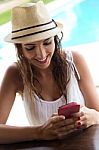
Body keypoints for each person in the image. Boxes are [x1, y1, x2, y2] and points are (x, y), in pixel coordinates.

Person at [0, 0, 99, 144]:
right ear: (20, 49)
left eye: (47, 43)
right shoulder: (15, 74)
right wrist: (39, 132)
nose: (41, 55)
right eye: (30, 47)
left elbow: (98, 114)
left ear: (55, 39)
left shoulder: (74, 61)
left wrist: (91, 117)